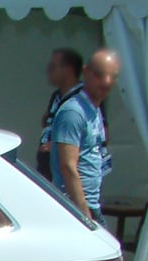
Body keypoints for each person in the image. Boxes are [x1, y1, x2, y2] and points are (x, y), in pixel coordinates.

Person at [50, 49, 120, 226]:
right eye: (99, 75)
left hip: (90, 203)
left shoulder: (94, 109)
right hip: (71, 207)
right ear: (85, 72)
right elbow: (68, 167)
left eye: (112, 77)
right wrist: (84, 215)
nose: (106, 82)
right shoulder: (74, 112)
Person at [36, 48, 83, 180]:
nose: (48, 71)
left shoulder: (83, 99)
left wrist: (58, 147)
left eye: (52, 67)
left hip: (65, 175)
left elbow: (97, 137)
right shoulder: (56, 96)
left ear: (68, 70)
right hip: (46, 170)